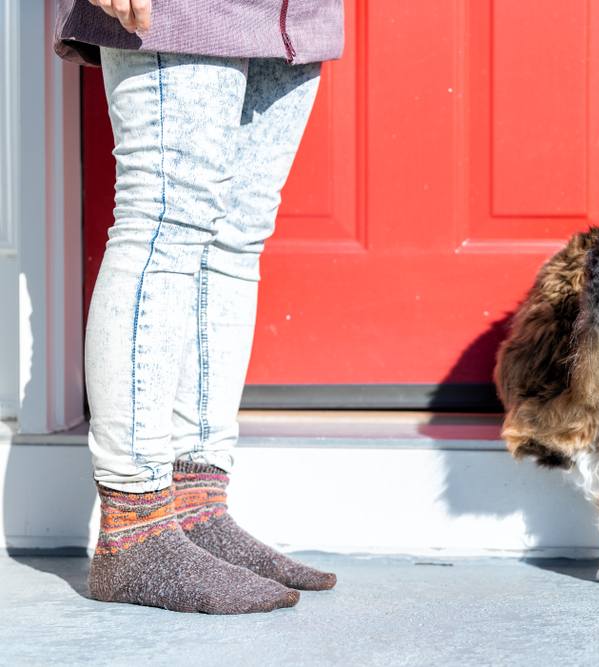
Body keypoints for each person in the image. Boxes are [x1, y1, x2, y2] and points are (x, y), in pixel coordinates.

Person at [54, 0, 344, 614]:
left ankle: (197, 507)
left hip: (291, 13)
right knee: (164, 220)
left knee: (234, 238)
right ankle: (134, 528)